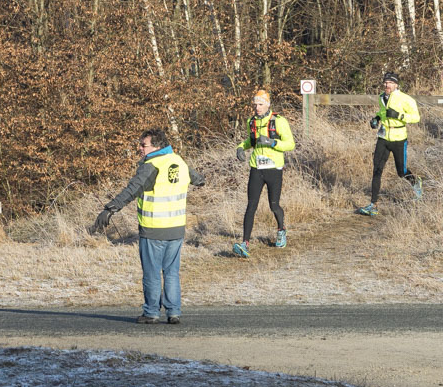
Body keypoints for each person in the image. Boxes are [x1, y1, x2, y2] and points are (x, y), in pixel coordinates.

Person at [93, 128, 205, 324]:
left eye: (143, 145)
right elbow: (199, 180)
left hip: (154, 228)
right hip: (177, 228)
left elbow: (132, 190)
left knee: (152, 272)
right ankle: (174, 312)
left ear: (157, 146)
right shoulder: (178, 161)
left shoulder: (151, 165)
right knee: (171, 272)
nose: (139, 148)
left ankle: (151, 313)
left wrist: (110, 209)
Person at [232, 89, 296, 258]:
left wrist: (272, 142)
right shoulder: (251, 121)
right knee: (251, 205)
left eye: (260, 104)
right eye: (255, 104)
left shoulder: (278, 121)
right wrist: (240, 147)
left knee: (273, 205)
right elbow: (250, 141)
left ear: (268, 104)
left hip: (274, 169)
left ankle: (281, 230)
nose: (257, 107)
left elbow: (290, 144)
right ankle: (245, 243)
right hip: (256, 168)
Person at [358, 72, 421, 216]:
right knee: (377, 169)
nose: (387, 85)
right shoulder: (381, 97)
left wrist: (399, 116)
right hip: (384, 137)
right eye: (386, 83)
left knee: (401, 172)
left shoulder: (406, 99)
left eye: (391, 83)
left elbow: (416, 117)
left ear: (396, 85)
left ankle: (416, 182)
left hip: (399, 138)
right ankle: (373, 205)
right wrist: (376, 118)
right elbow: (382, 111)